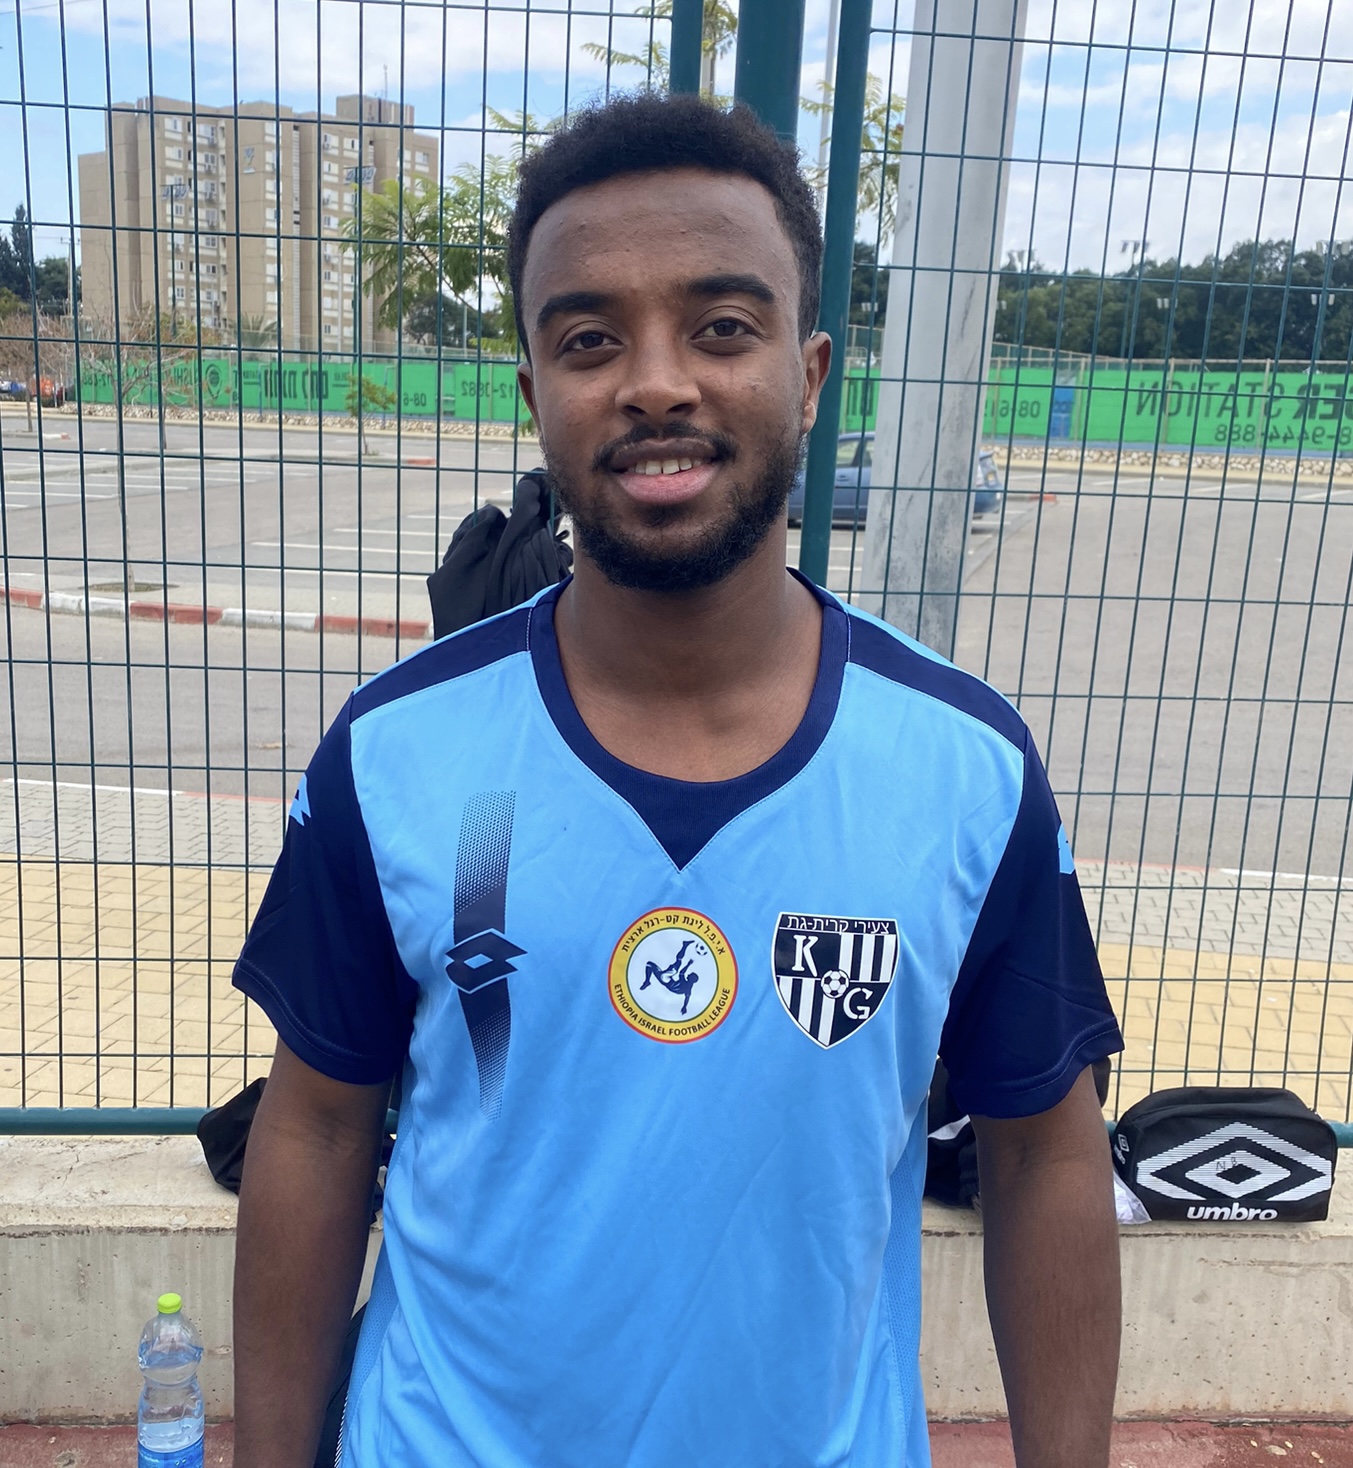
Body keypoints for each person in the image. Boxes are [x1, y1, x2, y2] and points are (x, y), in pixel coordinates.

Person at [232, 92, 1124, 1468]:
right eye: (589, 340)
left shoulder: (965, 766)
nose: (655, 383)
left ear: (810, 375)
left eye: (721, 327)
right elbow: (316, 1127)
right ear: (534, 393)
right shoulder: (397, 750)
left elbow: (1044, 1152)